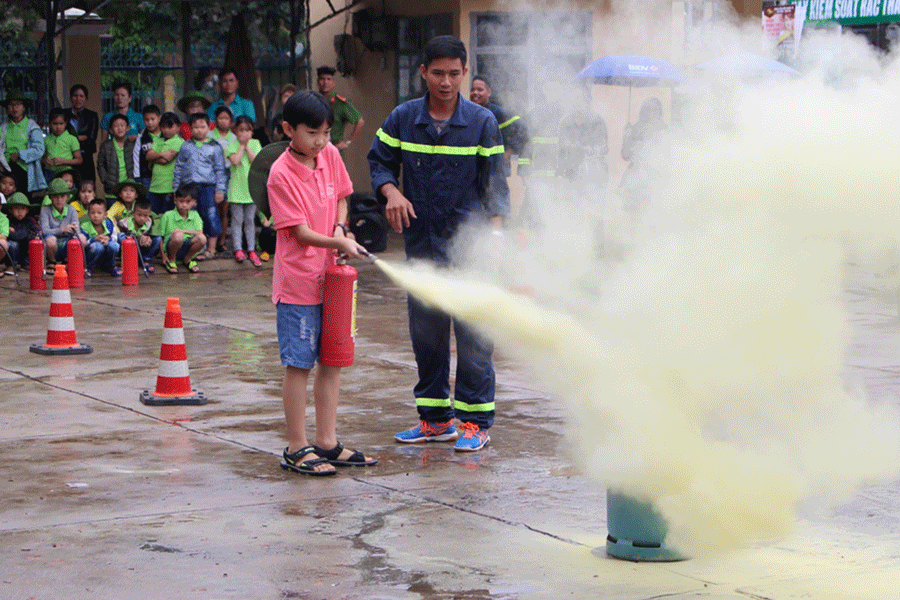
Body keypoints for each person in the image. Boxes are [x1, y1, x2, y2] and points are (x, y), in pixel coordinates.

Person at [367, 35, 510, 452]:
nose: (446, 81)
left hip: (470, 247)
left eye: (454, 73)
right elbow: (379, 161)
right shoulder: (403, 119)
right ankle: (434, 420)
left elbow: (495, 186)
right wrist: (391, 192)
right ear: (423, 72)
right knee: (426, 334)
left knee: (473, 335)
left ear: (464, 73)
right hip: (422, 245)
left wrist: (497, 236)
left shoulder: (482, 123)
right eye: (438, 73)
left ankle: (474, 423)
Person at [268, 90, 376, 475]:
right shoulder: (280, 174)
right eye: (312, 133)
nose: (321, 141)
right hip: (299, 284)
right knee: (299, 364)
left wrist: (340, 224)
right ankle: (297, 446)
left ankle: (326, 442)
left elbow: (343, 197)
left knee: (333, 360)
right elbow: (298, 232)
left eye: (327, 132)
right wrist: (338, 240)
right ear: (288, 130)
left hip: (334, 279)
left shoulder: (329, 155)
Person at [172, 113, 227, 260]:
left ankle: (211, 249)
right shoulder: (186, 146)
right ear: (190, 128)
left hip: (209, 187)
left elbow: (220, 170)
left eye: (202, 127)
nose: (199, 130)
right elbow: (178, 167)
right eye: (195, 127)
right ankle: (194, 249)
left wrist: (220, 190)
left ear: (209, 127)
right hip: (189, 187)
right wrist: (175, 188)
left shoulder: (214, 147)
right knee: (191, 216)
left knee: (210, 215)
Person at [469, 75, 529, 177]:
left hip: (496, 174)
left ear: (489, 92)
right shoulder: (468, 114)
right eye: (473, 90)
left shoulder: (498, 113)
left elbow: (523, 129)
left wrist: (509, 152)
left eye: (480, 89)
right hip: (477, 172)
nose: (475, 93)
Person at [619, 97, 667, 218]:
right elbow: (625, 155)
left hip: (656, 180)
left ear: (659, 113)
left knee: (654, 217)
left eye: (655, 110)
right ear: (643, 112)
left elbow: (668, 157)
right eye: (648, 110)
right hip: (636, 179)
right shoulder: (634, 129)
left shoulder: (665, 131)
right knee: (635, 215)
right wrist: (626, 137)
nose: (651, 113)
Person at [226, 115, 262, 266]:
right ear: (235, 131)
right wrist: (241, 146)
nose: (244, 133)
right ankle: (238, 249)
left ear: (252, 132)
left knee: (250, 221)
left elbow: (256, 160)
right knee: (237, 221)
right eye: (241, 130)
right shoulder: (232, 144)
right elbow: (235, 160)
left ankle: (251, 249)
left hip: (250, 189)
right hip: (236, 190)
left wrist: (247, 146)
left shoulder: (255, 143)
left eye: (247, 130)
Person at [0, 89, 47, 196]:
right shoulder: (3, 127)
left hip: (25, 169)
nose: (14, 107)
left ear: (24, 107)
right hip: (6, 169)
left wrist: (20, 154)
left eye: (18, 104)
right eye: (11, 104)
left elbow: (39, 150)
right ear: (7, 107)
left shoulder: (32, 126)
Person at [157, 184, 207, 273]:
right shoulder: (168, 215)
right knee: (178, 236)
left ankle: (187, 259)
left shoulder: (195, 215)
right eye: (181, 201)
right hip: (171, 248)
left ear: (194, 202)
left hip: (187, 248)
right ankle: (172, 260)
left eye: (188, 202)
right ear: (175, 201)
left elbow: (200, 232)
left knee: (202, 238)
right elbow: (159, 237)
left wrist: (182, 231)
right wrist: (163, 255)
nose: (184, 205)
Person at [316, 66, 364, 156]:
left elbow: (360, 121)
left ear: (333, 82)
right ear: (318, 81)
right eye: (322, 79)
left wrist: (348, 142)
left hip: (334, 150)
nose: (325, 82)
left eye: (329, 79)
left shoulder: (340, 103)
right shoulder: (312, 100)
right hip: (316, 149)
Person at [40, 177, 87, 268]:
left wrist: (73, 229)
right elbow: (45, 231)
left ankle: (69, 260)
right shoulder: (45, 210)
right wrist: (62, 230)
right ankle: (52, 261)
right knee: (50, 240)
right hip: (52, 246)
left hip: (67, 243)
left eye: (62, 196)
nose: (59, 200)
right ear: (50, 197)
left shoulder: (71, 209)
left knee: (82, 238)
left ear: (67, 197)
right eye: (55, 197)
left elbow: (77, 230)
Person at [146, 112, 183, 215]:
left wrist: (154, 157)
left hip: (169, 188)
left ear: (178, 127)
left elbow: (165, 160)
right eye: (163, 127)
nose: (166, 130)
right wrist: (162, 153)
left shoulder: (179, 142)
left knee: (166, 218)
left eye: (169, 127)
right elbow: (148, 156)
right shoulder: (157, 140)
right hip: (154, 186)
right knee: (153, 218)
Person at [97, 114, 136, 207]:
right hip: (112, 190)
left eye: (122, 125)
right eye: (116, 126)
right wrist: (105, 180)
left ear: (128, 128)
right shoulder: (106, 145)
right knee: (112, 217)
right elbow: (100, 164)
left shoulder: (132, 145)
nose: (119, 128)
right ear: (110, 130)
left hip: (128, 189)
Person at [64, 84, 100, 185]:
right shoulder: (64, 114)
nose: (78, 99)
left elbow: (91, 139)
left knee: (87, 187)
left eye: (81, 96)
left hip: (85, 157)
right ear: (71, 97)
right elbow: (60, 136)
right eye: (75, 96)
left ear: (86, 98)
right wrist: (78, 138)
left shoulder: (92, 116)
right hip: (67, 156)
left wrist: (71, 139)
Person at [81, 197, 121, 277]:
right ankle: (89, 267)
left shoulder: (109, 223)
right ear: (88, 214)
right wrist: (94, 239)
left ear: (105, 215)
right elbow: (83, 243)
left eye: (99, 213)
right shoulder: (85, 226)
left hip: (106, 253)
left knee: (114, 245)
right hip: (91, 253)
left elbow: (115, 238)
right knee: (98, 246)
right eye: (92, 213)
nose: (96, 216)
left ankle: (110, 266)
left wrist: (108, 240)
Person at [42, 107, 83, 183]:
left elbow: (79, 160)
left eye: (61, 123)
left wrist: (63, 161)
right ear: (50, 124)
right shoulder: (46, 139)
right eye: (55, 124)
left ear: (66, 123)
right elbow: (44, 156)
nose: (58, 127)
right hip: (49, 173)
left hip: (66, 173)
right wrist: (45, 160)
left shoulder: (71, 139)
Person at [122, 196, 161, 272]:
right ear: (133, 213)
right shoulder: (125, 223)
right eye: (139, 215)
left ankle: (145, 260)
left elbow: (152, 236)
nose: (142, 218)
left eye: (145, 216)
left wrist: (147, 239)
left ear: (149, 214)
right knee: (121, 237)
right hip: (130, 248)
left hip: (142, 247)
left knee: (157, 239)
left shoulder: (149, 222)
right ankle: (130, 261)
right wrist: (138, 238)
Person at [4, 192, 41, 269]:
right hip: (13, 251)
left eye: (23, 208)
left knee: (33, 242)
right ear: (11, 210)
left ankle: (26, 264)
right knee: (12, 244)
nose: (20, 211)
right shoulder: (8, 221)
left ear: (27, 210)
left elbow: (38, 232)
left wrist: (32, 235)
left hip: (26, 249)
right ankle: (11, 265)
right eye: (16, 208)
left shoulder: (30, 221)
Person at [132, 104, 162, 189]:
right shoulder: (141, 137)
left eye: (153, 119)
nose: (150, 122)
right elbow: (136, 157)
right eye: (146, 120)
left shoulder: (165, 136)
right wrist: (137, 178)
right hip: (146, 177)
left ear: (159, 118)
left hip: (163, 176)